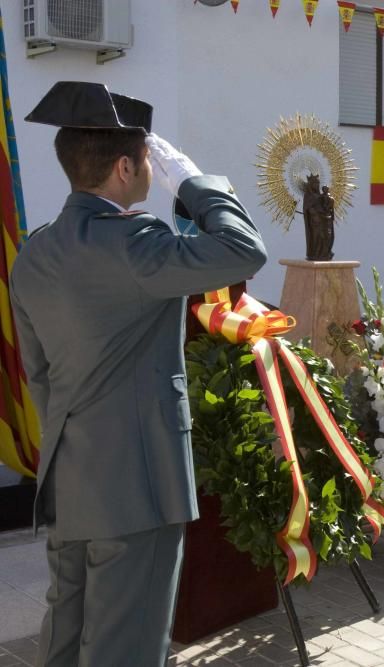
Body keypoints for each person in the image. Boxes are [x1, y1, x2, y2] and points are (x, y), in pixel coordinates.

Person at [11, 81, 268, 666]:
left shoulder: (36, 251)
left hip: (71, 475)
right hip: (138, 485)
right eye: (150, 160)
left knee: (66, 639)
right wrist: (198, 183)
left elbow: (41, 376)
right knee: (124, 648)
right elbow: (243, 249)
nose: (155, 168)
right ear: (125, 167)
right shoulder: (135, 244)